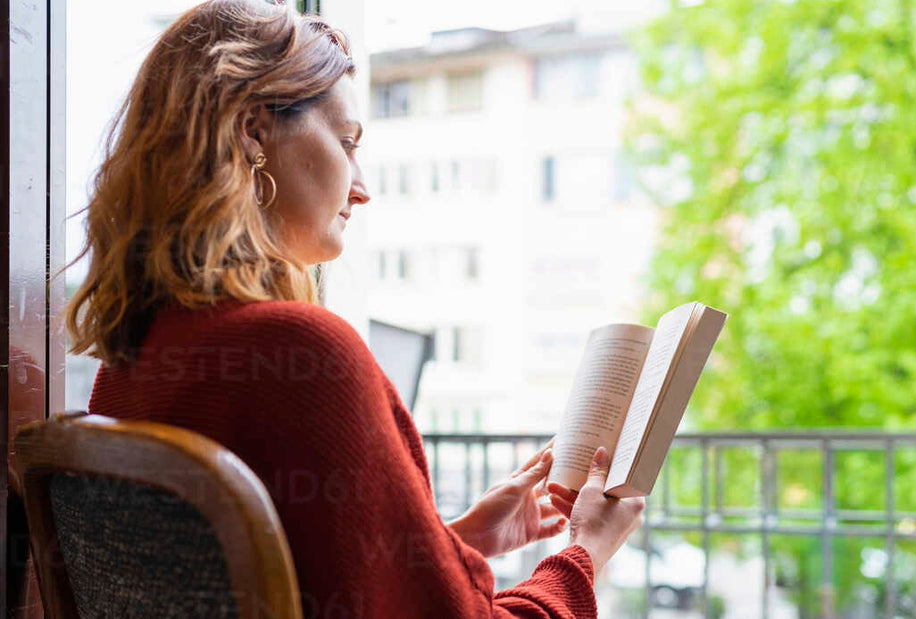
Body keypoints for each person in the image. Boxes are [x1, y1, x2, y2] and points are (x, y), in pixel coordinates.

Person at [64, 1, 645, 617]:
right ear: (254, 131)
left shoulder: (130, 370)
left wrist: (457, 541)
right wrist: (585, 554)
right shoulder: (298, 354)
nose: (362, 188)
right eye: (346, 143)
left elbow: (291, 583)